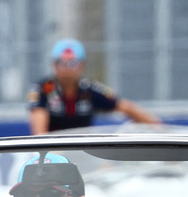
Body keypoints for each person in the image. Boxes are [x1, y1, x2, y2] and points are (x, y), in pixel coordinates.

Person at [28, 39, 160, 134]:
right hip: (52, 152)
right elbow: (40, 132)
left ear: (82, 65)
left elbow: (126, 107)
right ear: (54, 65)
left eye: (72, 63)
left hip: (82, 151)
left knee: (106, 167)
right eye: (61, 63)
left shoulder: (89, 88)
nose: (67, 69)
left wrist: (159, 129)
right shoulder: (43, 89)